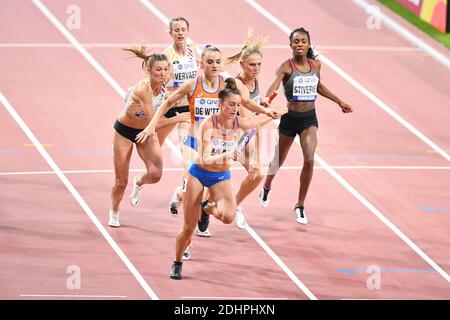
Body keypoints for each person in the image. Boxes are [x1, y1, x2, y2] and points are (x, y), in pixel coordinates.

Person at [137, 45, 279, 238]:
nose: (214, 65)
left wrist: (265, 111)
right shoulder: (193, 85)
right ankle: (188, 234)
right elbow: (168, 102)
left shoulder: (228, 84)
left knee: (211, 190)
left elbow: (245, 102)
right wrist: (151, 125)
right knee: (193, 184)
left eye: (218, 62)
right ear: (201, 63)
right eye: (210, 62)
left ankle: (185, 198)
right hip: (195, 141)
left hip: (220, 143)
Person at [168, 78, 287, 279]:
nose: (235, 108)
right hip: (199, 172)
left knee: (228, 216)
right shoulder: (208, 124)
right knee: (188, 227)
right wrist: (226, 154)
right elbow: (204, 158)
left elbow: (254, 124)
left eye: (238, 105)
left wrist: (273, 112)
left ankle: (206, 207)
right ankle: (177, 261)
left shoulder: (238, 122)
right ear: (221, 104)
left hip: (220, 176)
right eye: (231, 104)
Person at [259, 27, 353, 225]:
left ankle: (300, 205)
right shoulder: (286, 67)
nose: (299, 44)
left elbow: (319, 87)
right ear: (291, 45)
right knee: (278, 160)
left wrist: (339, 101)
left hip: (309, 119)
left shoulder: (316, 65)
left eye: (303, 41)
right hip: (289, 119)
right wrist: (266, 99)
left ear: (308, 44)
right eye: (296, 41)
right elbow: (274, 86)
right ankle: (267, 186)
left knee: (309, 160)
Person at [108, 45, 170, 227]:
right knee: (121, 182)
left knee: (156, 174)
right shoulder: (144, 89)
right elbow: (154, 123)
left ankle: (139, 182)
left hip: (145, 132)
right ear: (148, 71)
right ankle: (114, 210)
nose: (163, 73)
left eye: (166, 69)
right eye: (158, 69)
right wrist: (182, 117)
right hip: (125, 131)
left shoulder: (167, 83)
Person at [224, 30, 270, 228]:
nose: (256, 68)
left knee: (257, 173)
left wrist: (261, 101)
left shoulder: (254, 82)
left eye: (259, 64)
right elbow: (250, 122)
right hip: (222, 137)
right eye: (252, 64)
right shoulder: (237, 85)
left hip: (240, 138)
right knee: (210, 185)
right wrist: (271, 113)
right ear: (241, 65)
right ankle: (182, 199)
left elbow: (252, 118)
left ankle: (234, 205)